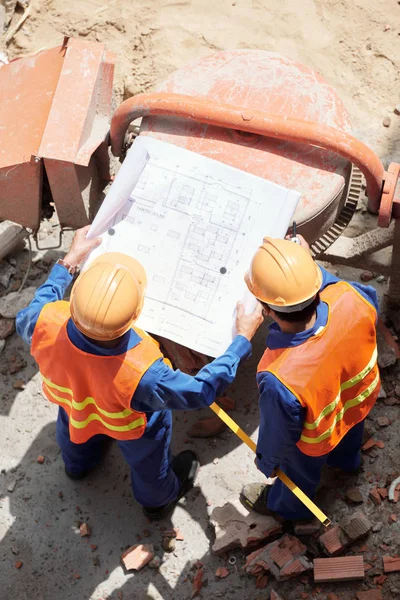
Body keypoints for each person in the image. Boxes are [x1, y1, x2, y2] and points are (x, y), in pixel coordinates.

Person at [16, 226, 263, 521]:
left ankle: (77, 465)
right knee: (148, 461)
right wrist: (240, 343)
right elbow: (200, 391)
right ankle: (157, 501)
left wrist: (69, 259)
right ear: (136, 317)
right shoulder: (143, 372)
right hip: (130, 425)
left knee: (74, 432)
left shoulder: (44, 320)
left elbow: (40, 300)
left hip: (75, 405)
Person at [240, 234, 380, 521]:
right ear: (316, 286)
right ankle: (347, 462)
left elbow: (278, 435)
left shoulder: (279, 374)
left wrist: (267, 463)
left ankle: (290, 510)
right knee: (350, 432)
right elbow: (342, 292)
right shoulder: (352, 295)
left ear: (265, 310)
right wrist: (304, 265)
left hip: (314, 442)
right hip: (358, 402)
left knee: (297, 477)